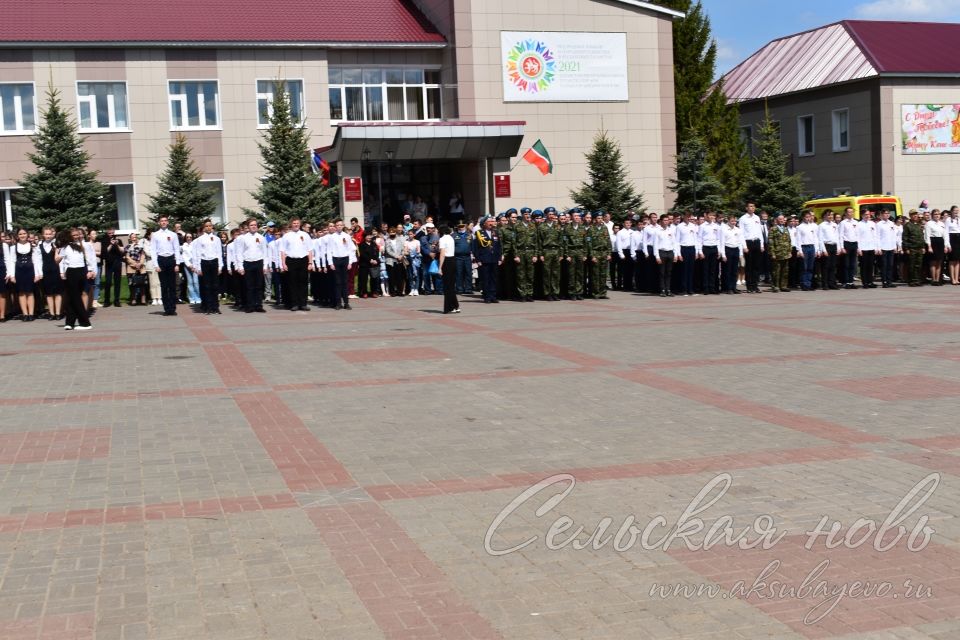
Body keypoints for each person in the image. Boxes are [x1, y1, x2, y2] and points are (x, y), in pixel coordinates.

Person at [58, 228, 97, 331]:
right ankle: (69, 322)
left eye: (78, 235)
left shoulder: (82, 246)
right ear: (70, 236)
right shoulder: (65, 247)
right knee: (72, 297)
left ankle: (85, 322)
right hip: (71, 271)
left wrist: (90, 270)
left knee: (76, 298)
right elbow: (58, 260)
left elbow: (87, 259)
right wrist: (56, 251)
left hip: (81, 271)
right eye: (74, 235)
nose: (77, 236)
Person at [6, 228, 42, 320]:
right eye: (20, 234)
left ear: (27, 234)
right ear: (17, 236)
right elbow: (12, 261)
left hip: (30, 271)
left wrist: (38, 274)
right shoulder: (14, 247)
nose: (22, 235)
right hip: (19, 272)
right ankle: (25, 314)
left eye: (24, 233)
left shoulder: (33, 246)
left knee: (30, 292)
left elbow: (36, 261)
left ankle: (31, 314)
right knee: (21, 293)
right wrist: (12, 275)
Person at [235, 218, 268, 313]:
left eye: (255, 225)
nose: (254, 226)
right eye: (251, 225)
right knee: (249, 286)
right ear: (248, 227)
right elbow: (239, 253)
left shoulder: (261, 237)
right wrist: (240, 266)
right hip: (247, 263)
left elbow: (265, 252)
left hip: (258, 262)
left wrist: (265, 266)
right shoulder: (243, 238)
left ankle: (258, 305)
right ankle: (250, 306)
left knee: (259, 286)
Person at [150, 216, 182, 316]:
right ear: (159, 223)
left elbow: (177, 249)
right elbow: (153, 251)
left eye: (165, 221)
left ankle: (172, 308)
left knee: (172, 285)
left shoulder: (173, 234)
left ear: (167, 222)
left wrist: (177, 263)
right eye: (161, 221)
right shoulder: (155, 235)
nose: (163, 222)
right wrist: (156, 265)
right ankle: (166, 309)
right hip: (161, 260)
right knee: (164, 286)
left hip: (171, 260)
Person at [279, 217, 313, 311]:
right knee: (292, 283)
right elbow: (282, 250)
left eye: (297, 223)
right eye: (294, 223)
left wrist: (310, 262)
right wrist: (283, 263)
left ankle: (303, 304)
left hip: (303, 261)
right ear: (291, 224)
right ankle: (294, 304)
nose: (296, 225)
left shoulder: (305, 235)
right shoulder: (287, 236)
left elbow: (310, 249)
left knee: (303, 283)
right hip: (291, 261)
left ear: (300, 224)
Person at [192, 220, 224, 314]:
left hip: (214, 262)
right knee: (207, 286)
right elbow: (197, 254)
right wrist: (198, 267)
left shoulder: (216, 239)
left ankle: (216, 306)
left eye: (210, 226)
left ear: (212, 227)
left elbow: (219, 253)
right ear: (204, 228)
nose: (208, 228)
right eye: (206, 226)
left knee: (215, 285)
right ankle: (208, 306)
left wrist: (220, 266)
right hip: (204, 262)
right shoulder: (200, 239)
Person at [326, 220, 357, 310]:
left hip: (345, 259)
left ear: (343, 226)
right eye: (337, 225)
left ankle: (346, 303)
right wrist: (331, 263)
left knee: (345, 282)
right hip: (336, 259)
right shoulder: (332, 237)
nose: (339, 226)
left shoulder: (346, 236)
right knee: (337, 282)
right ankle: (338, 303)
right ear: (335, 226)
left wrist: (350, 262)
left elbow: (351, 249)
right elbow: (329, 250)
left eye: (341, 225)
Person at [474, 216, 502, 303]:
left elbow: (499, 246)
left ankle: (493, 296)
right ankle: (487, 296)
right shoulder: (479, 233)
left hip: (494, 259)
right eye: (489, 221)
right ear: (484, 223)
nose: (491, 223)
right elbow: (475, 248)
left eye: (492, 222)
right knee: (485, 278)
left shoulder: (495, 232)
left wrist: (500, 257)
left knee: (494, 278)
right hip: (484, 259)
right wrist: (478, 259)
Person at [795, 210, 823, 291]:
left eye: (809, 217)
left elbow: (816, 239)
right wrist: (799, 250)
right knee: (804, 267)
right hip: (804, 247)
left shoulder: (813, 226)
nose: (808, 218)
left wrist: (817, 250)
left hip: (812, 247)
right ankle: (804, 284)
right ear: (803, 217)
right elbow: (798, 240)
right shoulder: (799, 227)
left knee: (810, 267)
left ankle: (809, 283)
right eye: (806, 217)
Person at [38, 226, 63, 320]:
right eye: (46, 234)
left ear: (52, 234)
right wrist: (40, 273)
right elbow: (38, 260)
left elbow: (62, 259)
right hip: (46, 270)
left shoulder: (57, 244)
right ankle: (52, 313)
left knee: (57, 292)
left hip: (56, 270)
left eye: (49, 234)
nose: (48, 236)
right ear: (43, 235)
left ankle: (58, 313)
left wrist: (62, 271)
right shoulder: (40, 246)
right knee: (48, 293)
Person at [739, 203, 764, 293]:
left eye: (753, 206)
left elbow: (759, 232)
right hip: (748, 242)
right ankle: (749, 286)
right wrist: (744, 246)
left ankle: (755, 285)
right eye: (750, 206)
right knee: (749, 266)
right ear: (746, 208)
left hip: (757, 242)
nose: (752, 208)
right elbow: (741, 233)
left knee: (756, 266)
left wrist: (761, 245)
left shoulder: (757, 217)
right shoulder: (743, 218)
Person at [539, 207, 563, 300]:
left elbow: (561, 241)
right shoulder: (542, 227)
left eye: (553, 214)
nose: (551, 216)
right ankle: (547, 293)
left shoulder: (557, 226)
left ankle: (555, 293)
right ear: (546, 215)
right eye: (549, 214)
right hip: (546, 251)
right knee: (546, 273)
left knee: (556, 274)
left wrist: (561, 254)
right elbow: (539, 241)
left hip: (556, 251)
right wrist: (540, 254)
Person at [653, 214, 679, 297]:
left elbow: (674, 243)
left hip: (670, 252)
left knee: (669, 272)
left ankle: (668, 289)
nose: (666, 222)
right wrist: (657, 256)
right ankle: (662, 290)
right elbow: (655, 245)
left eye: (667, 220)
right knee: (662, 272)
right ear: (660, 221)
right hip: (662, 252)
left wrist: (675, 255)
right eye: (664, 220)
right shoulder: (657, 231)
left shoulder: (670, 230)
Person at [721, 215, 747, 294]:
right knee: (728, 270)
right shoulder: (724, 229)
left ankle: (734, 287)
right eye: (732, 221)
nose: (733, 223)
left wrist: (744, 248)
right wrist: (723, 254)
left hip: (736, 250)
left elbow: (741, 240)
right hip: (728, 249)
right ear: (728, 221)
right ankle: (728, 288)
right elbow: (722, 242)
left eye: (735, 221)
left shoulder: (738, 230)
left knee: (734, 270)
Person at [698, 211, 722, 294]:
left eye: (713, 215)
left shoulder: (716, 226)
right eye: (710, 215)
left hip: (714, 248)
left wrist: (719, 250)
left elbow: (718, 239)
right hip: (706, 248)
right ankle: (706, 288)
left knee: (713, 270)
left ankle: (712, 287)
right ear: (706, 216)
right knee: (705, 269)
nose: (712, 217)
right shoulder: (702, 226)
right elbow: (699, 239)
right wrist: (700, 251)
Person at [676, 212, 699, 296]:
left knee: (691, 270)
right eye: (687, 217)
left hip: (692, 248)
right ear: (683, 217)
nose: (689, 218)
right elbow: (677, 241)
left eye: (690, 217)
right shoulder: (679, 227)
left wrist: (696, 252)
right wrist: (678, 254)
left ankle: (690, 289)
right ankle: (684, 289)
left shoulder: (693, 226)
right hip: (684, 248)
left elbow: (696, 239)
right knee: (684, 270)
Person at [437, 225, 460, 313]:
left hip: (446, 261)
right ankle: (455, 306)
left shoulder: (442, 239)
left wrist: (440, 268)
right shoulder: (451, 238)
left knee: (447, 286)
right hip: (453, 260)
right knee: (451, 285)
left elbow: (442, 254)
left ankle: (448, 308)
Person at [767, 214, 791, 292]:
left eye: (782, 219)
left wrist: (789, 251)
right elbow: (770, 242)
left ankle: (783, 286)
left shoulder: (786, 229)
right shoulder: (773, 229)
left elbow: (789, 241)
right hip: (777, 253)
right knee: (776, 271)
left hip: (785, 253)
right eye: (780, 219)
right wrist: (772, 253)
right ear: (777, 220)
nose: (781, 220)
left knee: (785, 271)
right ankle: (775, 286)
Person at [876, 210, 900, 288]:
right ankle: (884, 281)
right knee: (884, 265)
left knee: (890, 265)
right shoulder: (879, 224)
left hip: (891, 247)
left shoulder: (891, 223)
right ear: (882, 215)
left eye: (888, 213)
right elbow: (877, 237)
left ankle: (889, 281)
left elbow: (894, 236)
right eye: (885, 213)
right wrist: (878, 248)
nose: (887, 215)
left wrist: (895, 246)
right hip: (883, 247)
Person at [101, 230, 125, 308]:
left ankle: (117, 300)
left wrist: (117, 244)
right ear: (107, 234)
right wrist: (111, 244)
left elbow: (122, 251)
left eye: (112, 233)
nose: (111, 235)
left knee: (117, 282)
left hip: (117, 263)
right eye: (109, 233)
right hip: (109, 264)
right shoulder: (104, 241)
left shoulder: (119, 240)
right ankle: (107, 301)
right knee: (108, 282)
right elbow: (105, 252)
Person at [925, 208, 949, 286]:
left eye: (938, 214)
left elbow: (945, 235)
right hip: (933, 242)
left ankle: (938, 279)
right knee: (933, 262)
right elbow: (927, 236)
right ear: (932, 215)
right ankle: (934, 279)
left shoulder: (942, 224)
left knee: (939, 262)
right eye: (935, 214)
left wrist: (946, 246)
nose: (937, 216)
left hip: (940, 242)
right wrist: (929, 246)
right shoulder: (929, 223)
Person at [902, 209, 926, 286]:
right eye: (913, 214)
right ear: (910, 216)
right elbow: (905, 237)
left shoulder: (919, 224)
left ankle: (918, 280)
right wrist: (906, 248)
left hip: (919, 248)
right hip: (912, 248)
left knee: (918, 265)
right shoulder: (907, 225)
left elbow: (921, 236)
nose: (915, 216)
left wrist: (923, 247)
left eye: (916, 214)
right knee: (911, 265)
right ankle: (911, 280)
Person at [818, 210, 840, 290]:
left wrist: (838, 248)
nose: (830, 216)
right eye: (828, 215)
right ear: (824, 216)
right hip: (826, 246)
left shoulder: (834, 225)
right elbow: (820, 239)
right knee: (825, 266)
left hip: (834, 245)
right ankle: (825, 284)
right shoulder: (821, 225)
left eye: (832, 215)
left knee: (833, 266)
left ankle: (832, 283)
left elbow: (837, 236)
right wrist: (823, 250)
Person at [838, 207, 860, 289]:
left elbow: (858, 235)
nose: (850, 213)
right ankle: (846, 282)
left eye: (852, 212)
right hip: (846, 244)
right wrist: (841, 247)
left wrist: (858, 247)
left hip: (854, 244)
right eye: (849, 212)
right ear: (846, 213)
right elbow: (840, 235)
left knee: (852, 264)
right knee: (846, 264)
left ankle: (851, 282)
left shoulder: (856, 222)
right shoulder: (843, 223)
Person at [125, 232, 147, 305]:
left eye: (135, 237)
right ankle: (133, 299)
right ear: (130, 239)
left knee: (142, 284)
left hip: (141, 267)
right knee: (132, 284)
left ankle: (143, 299)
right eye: (133, 237)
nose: (134, 238)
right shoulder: (128, 247)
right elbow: (127, 257)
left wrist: (140, 263)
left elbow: (143, 255)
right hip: (131, 267)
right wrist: (134, 264)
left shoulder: (141, 246)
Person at [357, 231, 380, 298]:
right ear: (365, 237)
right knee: (364, 279)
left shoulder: (374, 244)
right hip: (364, 264)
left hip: (373, 264)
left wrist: (376, 260)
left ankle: (374, 292)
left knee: (374, 278)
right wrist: (370, 260)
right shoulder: (361, 244)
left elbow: (377, 252)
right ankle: (364, 292)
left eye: (370, 235)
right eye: (368, 235)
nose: (369, 237)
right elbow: (362, 254)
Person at [180, 233, 200, 304]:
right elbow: (184, 257)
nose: (189, 238)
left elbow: (196, 255)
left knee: (196, 282)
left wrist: (194, 266)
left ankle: (198, 297)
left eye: (190, 237)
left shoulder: (195, 245)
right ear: (185, 238)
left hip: (195, 265)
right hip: (187, 265)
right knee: (190, 282)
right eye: (187, 237)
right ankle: (192, 298)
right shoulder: (183, 246)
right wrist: (189, 265)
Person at [453, 222, 473, 295]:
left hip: (467, 257)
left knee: (468, 273)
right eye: (460, 226)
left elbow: (472, 245)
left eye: (463, 226)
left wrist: (473, 255)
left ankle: (468, 288)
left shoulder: (469, 235)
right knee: (459, 273)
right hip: (458, 257)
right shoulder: (454, 235)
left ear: (465, 227)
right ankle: (459, 289)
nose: (461, 228)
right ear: (457, 227)